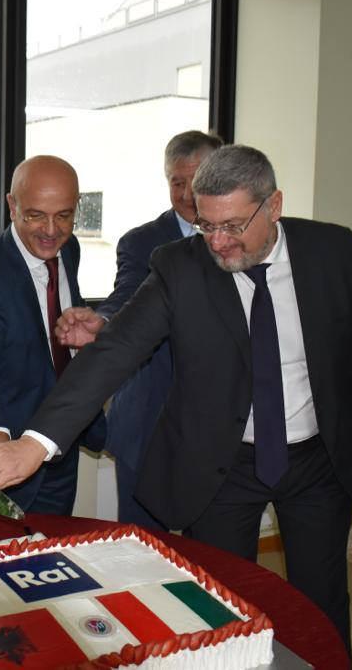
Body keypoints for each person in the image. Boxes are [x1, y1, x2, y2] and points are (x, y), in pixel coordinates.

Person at [0, 144, 352, 656]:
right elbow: (114, 352)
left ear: (274, 205)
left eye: (232, 226)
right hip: (222, 467)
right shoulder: (181, 265)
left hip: (318, 460)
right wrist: (34, 444)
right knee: (219, 606)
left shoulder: (333, 251)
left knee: (321, 603)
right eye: (206, 225)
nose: (218, 242)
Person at [0, 155, 105, 514]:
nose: (51, 230)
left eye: (64, 215)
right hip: (13, 456)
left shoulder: (69, 249)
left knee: (60, 546)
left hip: (64, 440)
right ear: (12, 206)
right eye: (36, 215)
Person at [95, 130, 223, 528]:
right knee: (141, 545)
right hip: (148, 421)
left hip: (220, 425)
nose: (185, 194)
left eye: (195, 182)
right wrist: (102, 321)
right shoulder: (142, 243)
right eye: (176, 182)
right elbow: (126, 300)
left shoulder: (241, 238)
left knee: (212, 547)